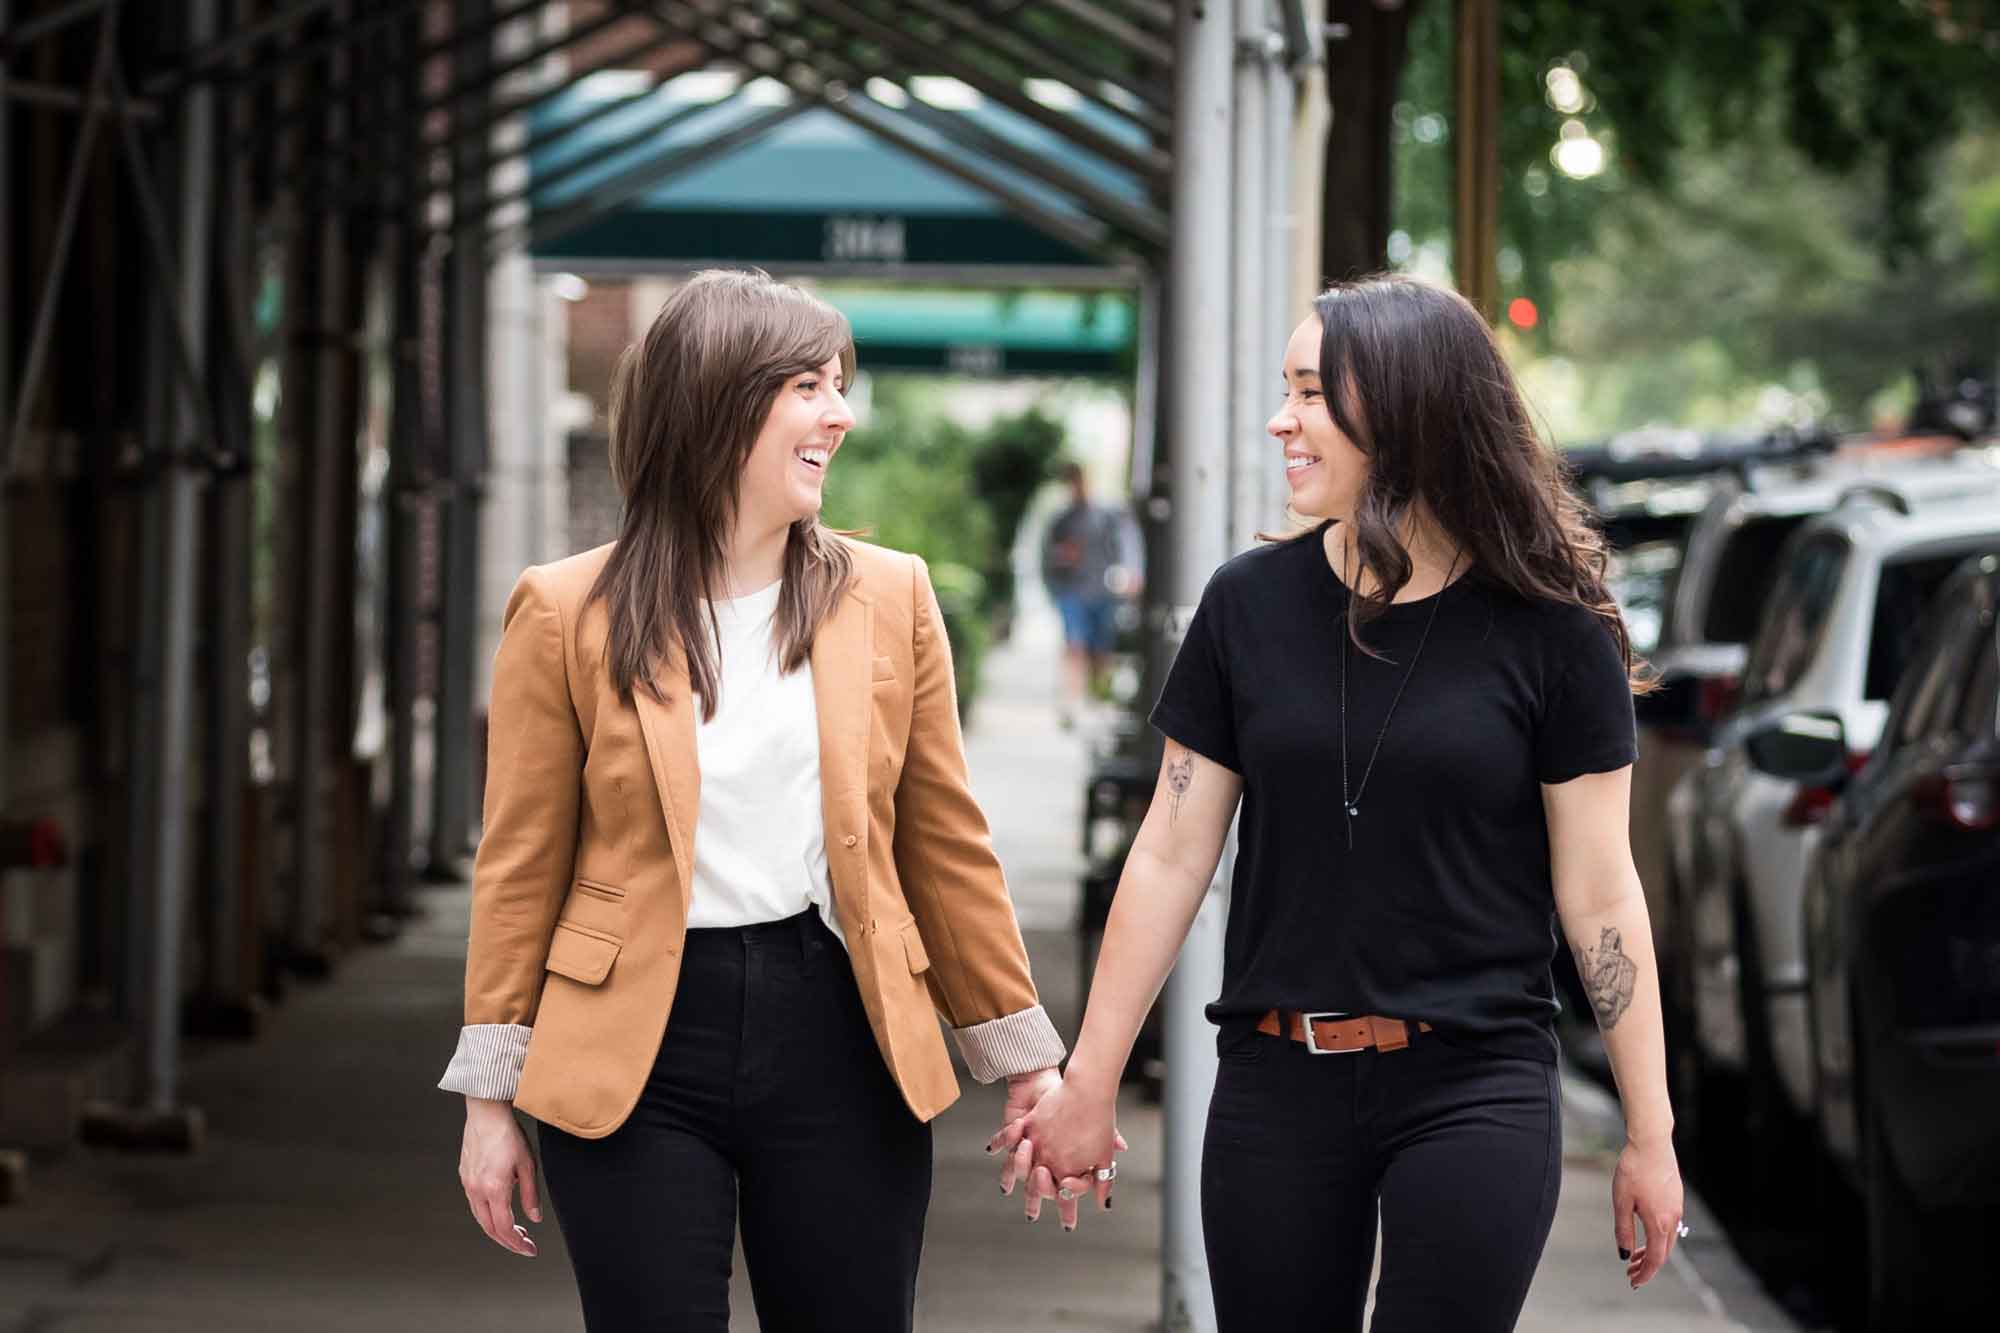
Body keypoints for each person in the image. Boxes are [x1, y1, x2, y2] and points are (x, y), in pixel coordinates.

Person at [995, 275, 1687, 1330]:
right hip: (1278, 1076)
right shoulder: (1246, 604)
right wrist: (1087, 1078)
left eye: (1311, 394)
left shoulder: (1552, 629)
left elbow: (1598, 893)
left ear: (1403, 411)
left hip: (1475, 1085)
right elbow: (1171, 851)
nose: (1282, 420)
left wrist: (1650, 1130)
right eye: (1285, 390)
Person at [438, 269, 1069, 1331]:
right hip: (633, 1042)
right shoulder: (564, 612)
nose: (841, 413)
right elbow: (519, 864)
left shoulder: (888, 594)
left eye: (839, 385)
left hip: (840, 1025)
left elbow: (944, 845)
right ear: (720, 401)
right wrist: (486, 1097)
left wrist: (1022, 1055)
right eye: (809, 387)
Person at [1041, 461, 1141, 729]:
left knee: (1100, 651)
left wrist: (1130, 574)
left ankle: (1099, 700)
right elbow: (1048, 557)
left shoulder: (1107, 514)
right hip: (1072, 591)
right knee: (1074, 646)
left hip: (1102, 592)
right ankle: (1071, 704)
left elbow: (1125, 544)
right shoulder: (1061, 520)